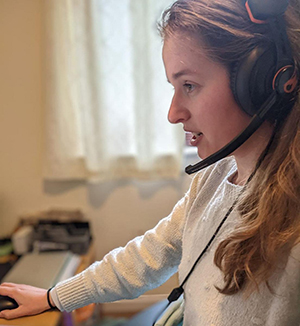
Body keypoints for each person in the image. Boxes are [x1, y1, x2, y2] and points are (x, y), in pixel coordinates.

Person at [0, 0, 299, 325]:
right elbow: (148, 255)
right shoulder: (214, 176)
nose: (173, 114)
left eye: (189, 86)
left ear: (262, 81)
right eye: (174, 87)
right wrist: (53, 297)